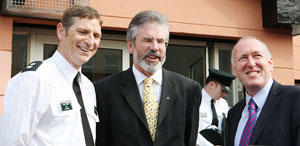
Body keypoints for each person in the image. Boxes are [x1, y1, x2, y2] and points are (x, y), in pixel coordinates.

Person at [94, 10, 202, 146]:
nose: (155, 47)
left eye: (161, 41)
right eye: (147, 40)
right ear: (130, 45)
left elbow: (189, 141)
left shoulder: (189, 90)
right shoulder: (104, 91)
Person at [0, 5, 103, 146]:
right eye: (82, 32)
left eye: (96, 36)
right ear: (61, 32)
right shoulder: (34, 79)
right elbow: (11, 142)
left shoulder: (88, 86)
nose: (90, 42)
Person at [226, 36, 300, 146]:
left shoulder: (295, 98)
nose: (251, 64)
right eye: (243, 58)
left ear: (270, 64)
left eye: (257, 56)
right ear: (234, 70)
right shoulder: (233, 114)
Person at [196, 68, 235, 146]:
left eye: (226, 92)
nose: (225, 94)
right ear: (212, 84)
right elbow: (190, 131)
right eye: (223, 90)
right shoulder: (194, 100)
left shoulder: (223, 104)